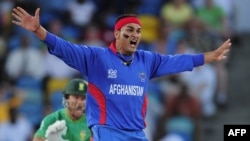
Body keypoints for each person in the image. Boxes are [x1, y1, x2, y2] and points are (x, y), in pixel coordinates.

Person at [11, 6, 231, 141]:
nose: (136, 34)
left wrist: (209, 56)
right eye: (130, 30)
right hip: (108, 133)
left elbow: (177, 61)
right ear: (117, 34)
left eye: (138, 31)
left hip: (136, 134)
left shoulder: (148, 60)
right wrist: (40, 32)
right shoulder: (96, 58)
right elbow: (65, 48)